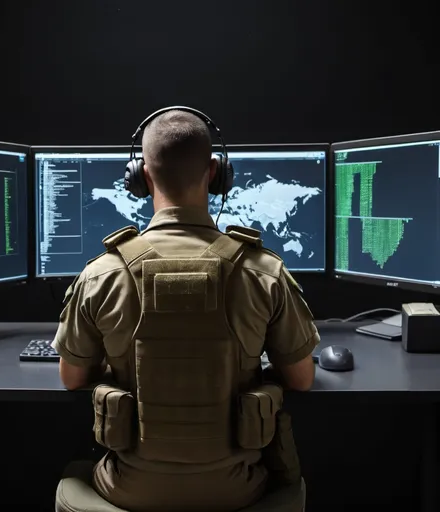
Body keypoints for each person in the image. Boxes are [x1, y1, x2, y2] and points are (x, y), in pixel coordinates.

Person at [53, 108, 319, 511]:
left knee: (72, 474)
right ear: (216, 172)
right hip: (240, 494)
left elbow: (73, 378)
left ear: (141, 177)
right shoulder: (264, 272)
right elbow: (301, 379)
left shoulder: (101, 275)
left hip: (128, 493)